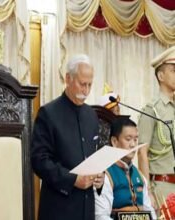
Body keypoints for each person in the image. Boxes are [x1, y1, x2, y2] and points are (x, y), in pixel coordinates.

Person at [31, 54, 105, 220]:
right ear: (68, 78)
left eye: (90, 85)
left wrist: (100, 177)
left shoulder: (92, 115)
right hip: (59, 208)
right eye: (82, 84)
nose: (86, 91)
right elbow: (39, 160)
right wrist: (72, 180)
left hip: (86, 209)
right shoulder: (48, 113)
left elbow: (95, 155)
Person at [137, 46, 175, 214]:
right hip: (161, 187)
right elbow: (142, 153)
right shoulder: (151, 110)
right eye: (174, 71)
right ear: (161, 76)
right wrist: (148, 193)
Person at [95, 117, 156, 220]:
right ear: (114, 141)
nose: (133, 144)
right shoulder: (104, 175)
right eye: (128, 139)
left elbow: (150, 212)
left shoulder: (140, 176)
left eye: (136, 139)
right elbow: (100, 216)